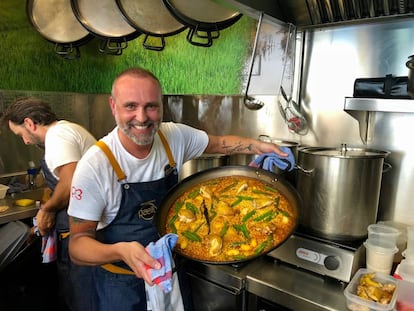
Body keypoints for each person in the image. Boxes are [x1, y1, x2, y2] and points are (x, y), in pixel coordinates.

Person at [67, 67, 289, 311]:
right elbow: (78, 245)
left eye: (151, 106)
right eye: (130, 106)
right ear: (113, 106)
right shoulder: (95, 166)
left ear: (161, 106)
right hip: (121, 284)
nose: (142, 117)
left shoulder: (172, 136)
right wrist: (120, 251)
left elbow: (220, 144)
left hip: (171, 273)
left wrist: (260, 147)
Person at [0, 97, 97, 311]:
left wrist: (48, 210)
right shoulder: (67, 130)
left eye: (21, 135)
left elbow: (72, 183)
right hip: (79, 225)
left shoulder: (58, 137)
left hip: (80, 230)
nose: (25, 141)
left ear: (29, 123)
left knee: (81, 297)